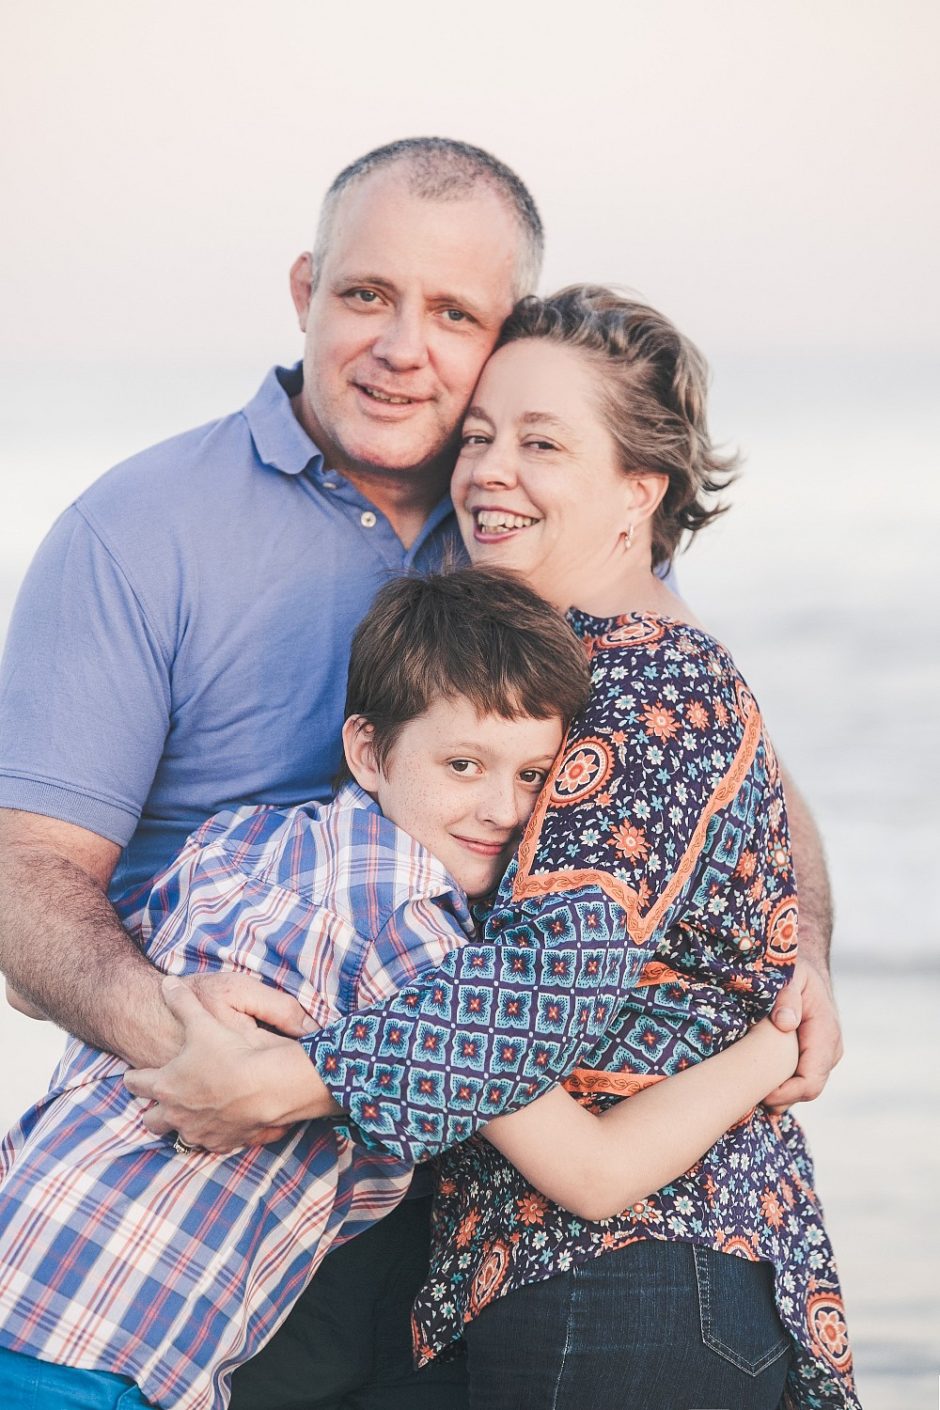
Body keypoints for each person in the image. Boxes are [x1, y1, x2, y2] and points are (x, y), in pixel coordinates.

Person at [0, 138, 840, 1401]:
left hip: (475, 1186)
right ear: (304, 290)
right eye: (366, 295)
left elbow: (728, 768)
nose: (404, 348)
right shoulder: (139, 529)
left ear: (502, 334)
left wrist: (801, 955)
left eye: (453, 313)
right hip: (223, 1185)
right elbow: (27, 872)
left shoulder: (538, 541)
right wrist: (200, 1054)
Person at [0, 568, 797, 1410]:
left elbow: (33, 987)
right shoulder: (411, 933)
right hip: (100, 1339)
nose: (503, 809)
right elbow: (593, 1174)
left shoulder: (234, 842)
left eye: (536, 776)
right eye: (463, 764)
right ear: (367, 752)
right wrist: (774, 1047)